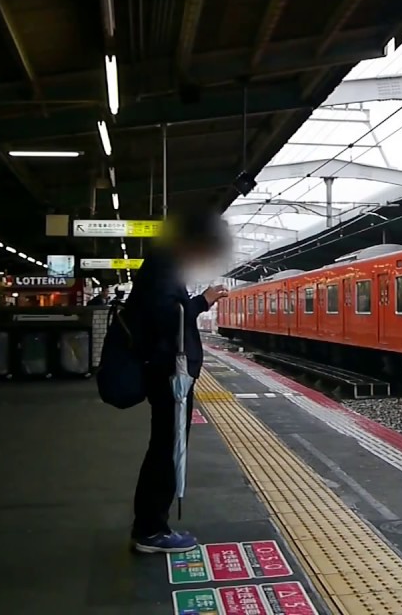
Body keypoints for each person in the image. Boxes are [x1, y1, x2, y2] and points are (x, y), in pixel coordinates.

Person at [127, 209, 229, 554]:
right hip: (169, 373)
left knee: (166, 447)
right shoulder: (163, 267)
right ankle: (151, 530)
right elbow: (167, 317)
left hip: (168, 370)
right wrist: (203, 300)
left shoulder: (164, 264)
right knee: (168, 450)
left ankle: (152, 525)